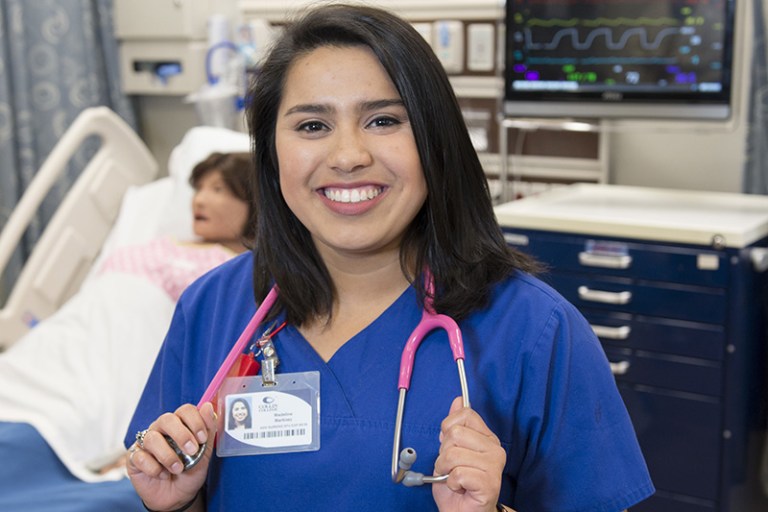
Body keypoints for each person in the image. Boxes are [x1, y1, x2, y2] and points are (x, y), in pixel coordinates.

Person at [123, 4, 655, 512]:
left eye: (383, 121)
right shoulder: (212, 309)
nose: (349, 156)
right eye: (312, 125)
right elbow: (171, 485)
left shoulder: (535, 333)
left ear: (434, 140)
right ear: (271, 152)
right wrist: (172, 502)